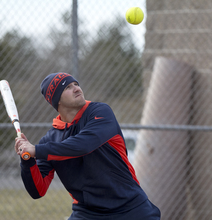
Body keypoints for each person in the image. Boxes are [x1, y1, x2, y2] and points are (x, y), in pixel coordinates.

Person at [15, 72, 161, 220]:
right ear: (56, 99)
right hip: (87, 213)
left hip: (129, 207)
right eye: (68, 87)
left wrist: (37, 150)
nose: (77, 89)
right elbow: (37, 191)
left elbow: (82, 145)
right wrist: (27, 159)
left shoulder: (100, 112)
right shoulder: (49, 140)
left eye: (76, 84)